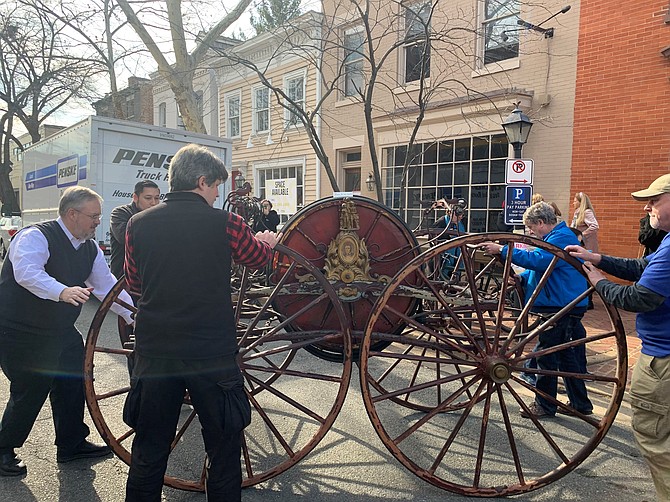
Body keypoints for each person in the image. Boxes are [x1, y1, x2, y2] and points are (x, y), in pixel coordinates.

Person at [123, 144, 281, 502]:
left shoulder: (137, 224)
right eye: (215, 187)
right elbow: (256, 260)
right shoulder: (228, 223)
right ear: (201, 181)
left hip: (155, 350)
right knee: (224, 450)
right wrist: (268, 243)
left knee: (148, 451)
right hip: (211, 352)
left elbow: (134, 283)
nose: (216, 195)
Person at [0, 186, 134, 476]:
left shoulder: (88, 248)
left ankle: (71, 444)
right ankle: (3, 449)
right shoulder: (35, 236)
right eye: (93, 216)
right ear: (72, 214)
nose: (98, 222)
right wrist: (61, 291)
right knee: (31, 388)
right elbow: (27, 273)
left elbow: (106, 286)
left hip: (59, 329)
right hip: (20, 329)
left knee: (75, 381)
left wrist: (134, 315)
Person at [566, 173, 670, 501]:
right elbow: (641, 267)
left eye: (655, 199)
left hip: (663, 360)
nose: (648, 206)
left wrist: (598, 281)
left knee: (655, 437)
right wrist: (597, 259)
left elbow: (639, 298)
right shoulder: (666, 242)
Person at [481, 202, 593, 419]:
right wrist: (521, 279)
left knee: (546, 356)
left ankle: (544, 405)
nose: (530, 232)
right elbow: (544, 270)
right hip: (561, 302)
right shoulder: (554, 238)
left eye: (531, 226)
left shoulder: (560, 239)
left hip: (561, 306)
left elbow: (541, 262)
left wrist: (503, 250)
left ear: (541, 223)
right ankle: (580, 404)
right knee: (564, 355)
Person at [109, 180, 161, 279]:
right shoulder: (120, 213)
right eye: (148, 198)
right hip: (123, 279)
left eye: (157, 198)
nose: (153, 203)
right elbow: (124, 238)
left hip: (148, 276)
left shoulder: (158, 216)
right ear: (135, 197)